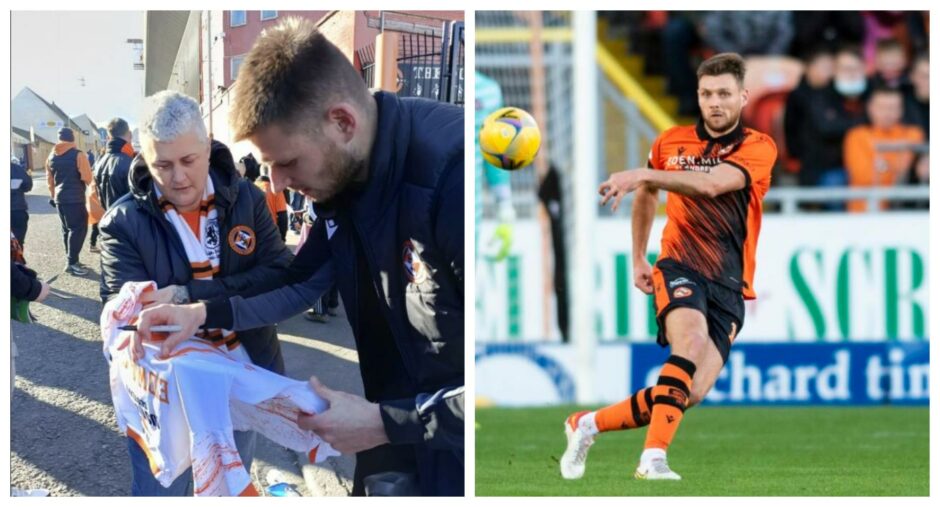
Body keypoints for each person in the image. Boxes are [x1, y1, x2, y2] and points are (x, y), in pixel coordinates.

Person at [133, 18, 464, 496]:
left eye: (286, 163)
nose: (280, 185)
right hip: (398, 439)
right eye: (270, 167)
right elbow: (296, 283)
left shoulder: (461, 183)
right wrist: (199, 310)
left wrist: (388, 422)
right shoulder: (342, 179)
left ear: (342, 122)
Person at [561, 53, 776, 481]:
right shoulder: (669, 142)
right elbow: (646, 197)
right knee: (690, 342)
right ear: (697, 96)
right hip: (679, 263)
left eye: (724, 94)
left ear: (743, 96)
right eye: (707, 94)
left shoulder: (758, 146)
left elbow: (713, 185)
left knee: (688, 392)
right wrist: (640, 254)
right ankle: (652, 460)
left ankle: (586, 424)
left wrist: (642, 174)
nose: (715, 102)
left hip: (729, 283)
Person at [98, 90, 294, 496]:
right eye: (162, 165)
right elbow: (127, 316)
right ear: (144, 159)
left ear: (208, 147)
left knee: (227, 487)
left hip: (242, 375)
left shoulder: (249, 199)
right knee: (160, 493)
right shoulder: (121, 222)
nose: (178, 177)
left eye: (188, 160)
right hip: (167, 394)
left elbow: (278, 276)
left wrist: (190, 297)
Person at [843, 85, 924, 212]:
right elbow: (863, 177)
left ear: (901, 110)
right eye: (881, 107)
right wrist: (895, 169)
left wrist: (884, 167)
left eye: (892, 108)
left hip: (905, 210)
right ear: (870, 108)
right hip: (864, 211)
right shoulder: (857, 136)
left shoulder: (913, 134)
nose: (887, 113)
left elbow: (907, 172)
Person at [46, 127, 93, 275]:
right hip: (75, 199)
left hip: (60, 199)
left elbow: (50, 181)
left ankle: (71, 259)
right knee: (79, 229)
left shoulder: (51, 156)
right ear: (72, 139)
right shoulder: (78, 155)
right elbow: (88, 178)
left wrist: (53, 196)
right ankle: (72, 263)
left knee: (67, 229)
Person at [784, 47, 834, 174]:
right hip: (806, 157)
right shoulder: (797, 95)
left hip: (830, 155)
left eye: (831, 68)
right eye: (824, 68)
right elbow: (790, 127)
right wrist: (794, 154)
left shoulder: (833, 92)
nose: (829, 73)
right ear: (809, 68)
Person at [94, 117, 136, 210]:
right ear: (130, 134)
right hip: (130, 221)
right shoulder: (131, 163)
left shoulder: (99, 163)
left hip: (109, 218)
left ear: (108, 137)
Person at [11, 156, 32, 245]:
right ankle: (16, 258)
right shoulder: (17, 169)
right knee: (18, 242)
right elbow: (28, 186)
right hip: (17, 210)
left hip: (17, 209)